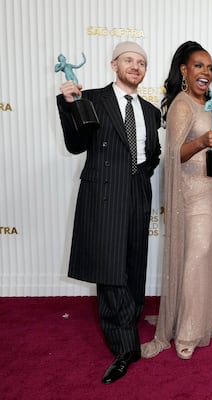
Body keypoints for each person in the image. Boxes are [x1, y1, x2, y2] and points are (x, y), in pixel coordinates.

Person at [56, 41, 161, 384]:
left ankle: (128, 327)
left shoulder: (148, 110)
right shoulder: (94, 100)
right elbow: (75, 144)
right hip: (104, 193)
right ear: (114, 65)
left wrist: (141, 178)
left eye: (141, 62)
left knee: (133, 266)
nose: (136, 66)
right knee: (111, 272)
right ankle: (125, 347)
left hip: (137, 192)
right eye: (129, 60)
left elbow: (152, 153)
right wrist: (68, 104)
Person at [141, 41, 212, 360]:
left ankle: (195, 317)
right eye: (199, 66)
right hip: (191, 192)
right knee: (195, 257)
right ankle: (185, 331)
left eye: (210, 67)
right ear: (184, 70)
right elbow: (174, 154)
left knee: (205, 255)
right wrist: (199, 141)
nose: (207, 73)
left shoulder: (209, 104)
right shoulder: (182, 104)